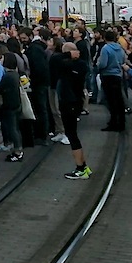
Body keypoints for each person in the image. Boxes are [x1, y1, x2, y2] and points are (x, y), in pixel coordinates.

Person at [55, 42, 92, 179]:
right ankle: (83, 165)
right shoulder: (81, 65)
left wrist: (67, 55)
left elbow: (55, 60)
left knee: (72, 135)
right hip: (76, 101)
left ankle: (80, 168)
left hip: (69, 102)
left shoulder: (68, 66)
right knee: (73, 134)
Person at [98, 29, 127, 131]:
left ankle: (114, 122)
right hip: (118, 75)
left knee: (110, 101)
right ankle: (121, 122)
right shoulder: (120, 48)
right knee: (119, 100)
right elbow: (124, 60)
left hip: (108, 75)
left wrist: (98, 65)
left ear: (105, 38)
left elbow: (103, 63)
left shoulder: (105, 48)